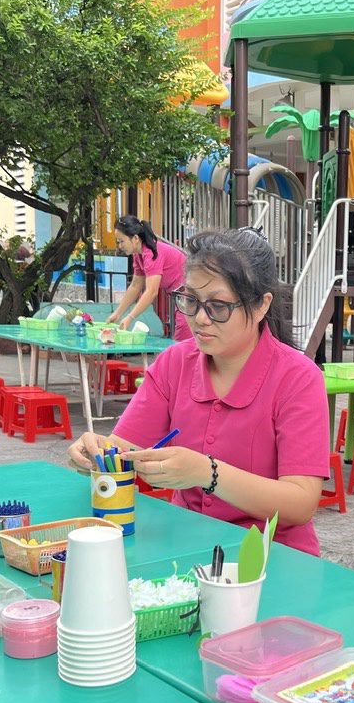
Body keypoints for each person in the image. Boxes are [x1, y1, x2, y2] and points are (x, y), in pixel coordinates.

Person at [66, 228, 329, 555]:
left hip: (272, 557)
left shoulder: (298, 378)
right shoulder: (174, 363)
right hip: (186, 546)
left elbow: (301, 502)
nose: (201, 319)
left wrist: (208, 473)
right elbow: (124, 448)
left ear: (261, 305)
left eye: (218, 306)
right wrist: (95, 452)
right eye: (190, 300)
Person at [106, 216, 189, 340]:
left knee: (183, 337)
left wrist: (130, 317)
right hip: (180, 295)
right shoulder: (138, 255)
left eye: (121, 241)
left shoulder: (151, 254)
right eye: (118, 242)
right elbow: (135, 286)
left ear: (135, 238)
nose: (120, 246)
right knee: (184, 338)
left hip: (190, 292)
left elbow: (151, 292)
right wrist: (117, 313)